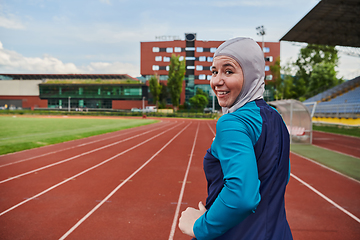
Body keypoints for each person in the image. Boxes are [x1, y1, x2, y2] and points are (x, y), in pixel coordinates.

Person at [178, 37, 293, 240]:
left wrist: (200, 226)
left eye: (228, 71)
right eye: (214, 71)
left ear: (251, 75)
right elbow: (279, 178)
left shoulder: (232, 122)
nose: (216, 81)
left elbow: (243, 198)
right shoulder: (277, 119)